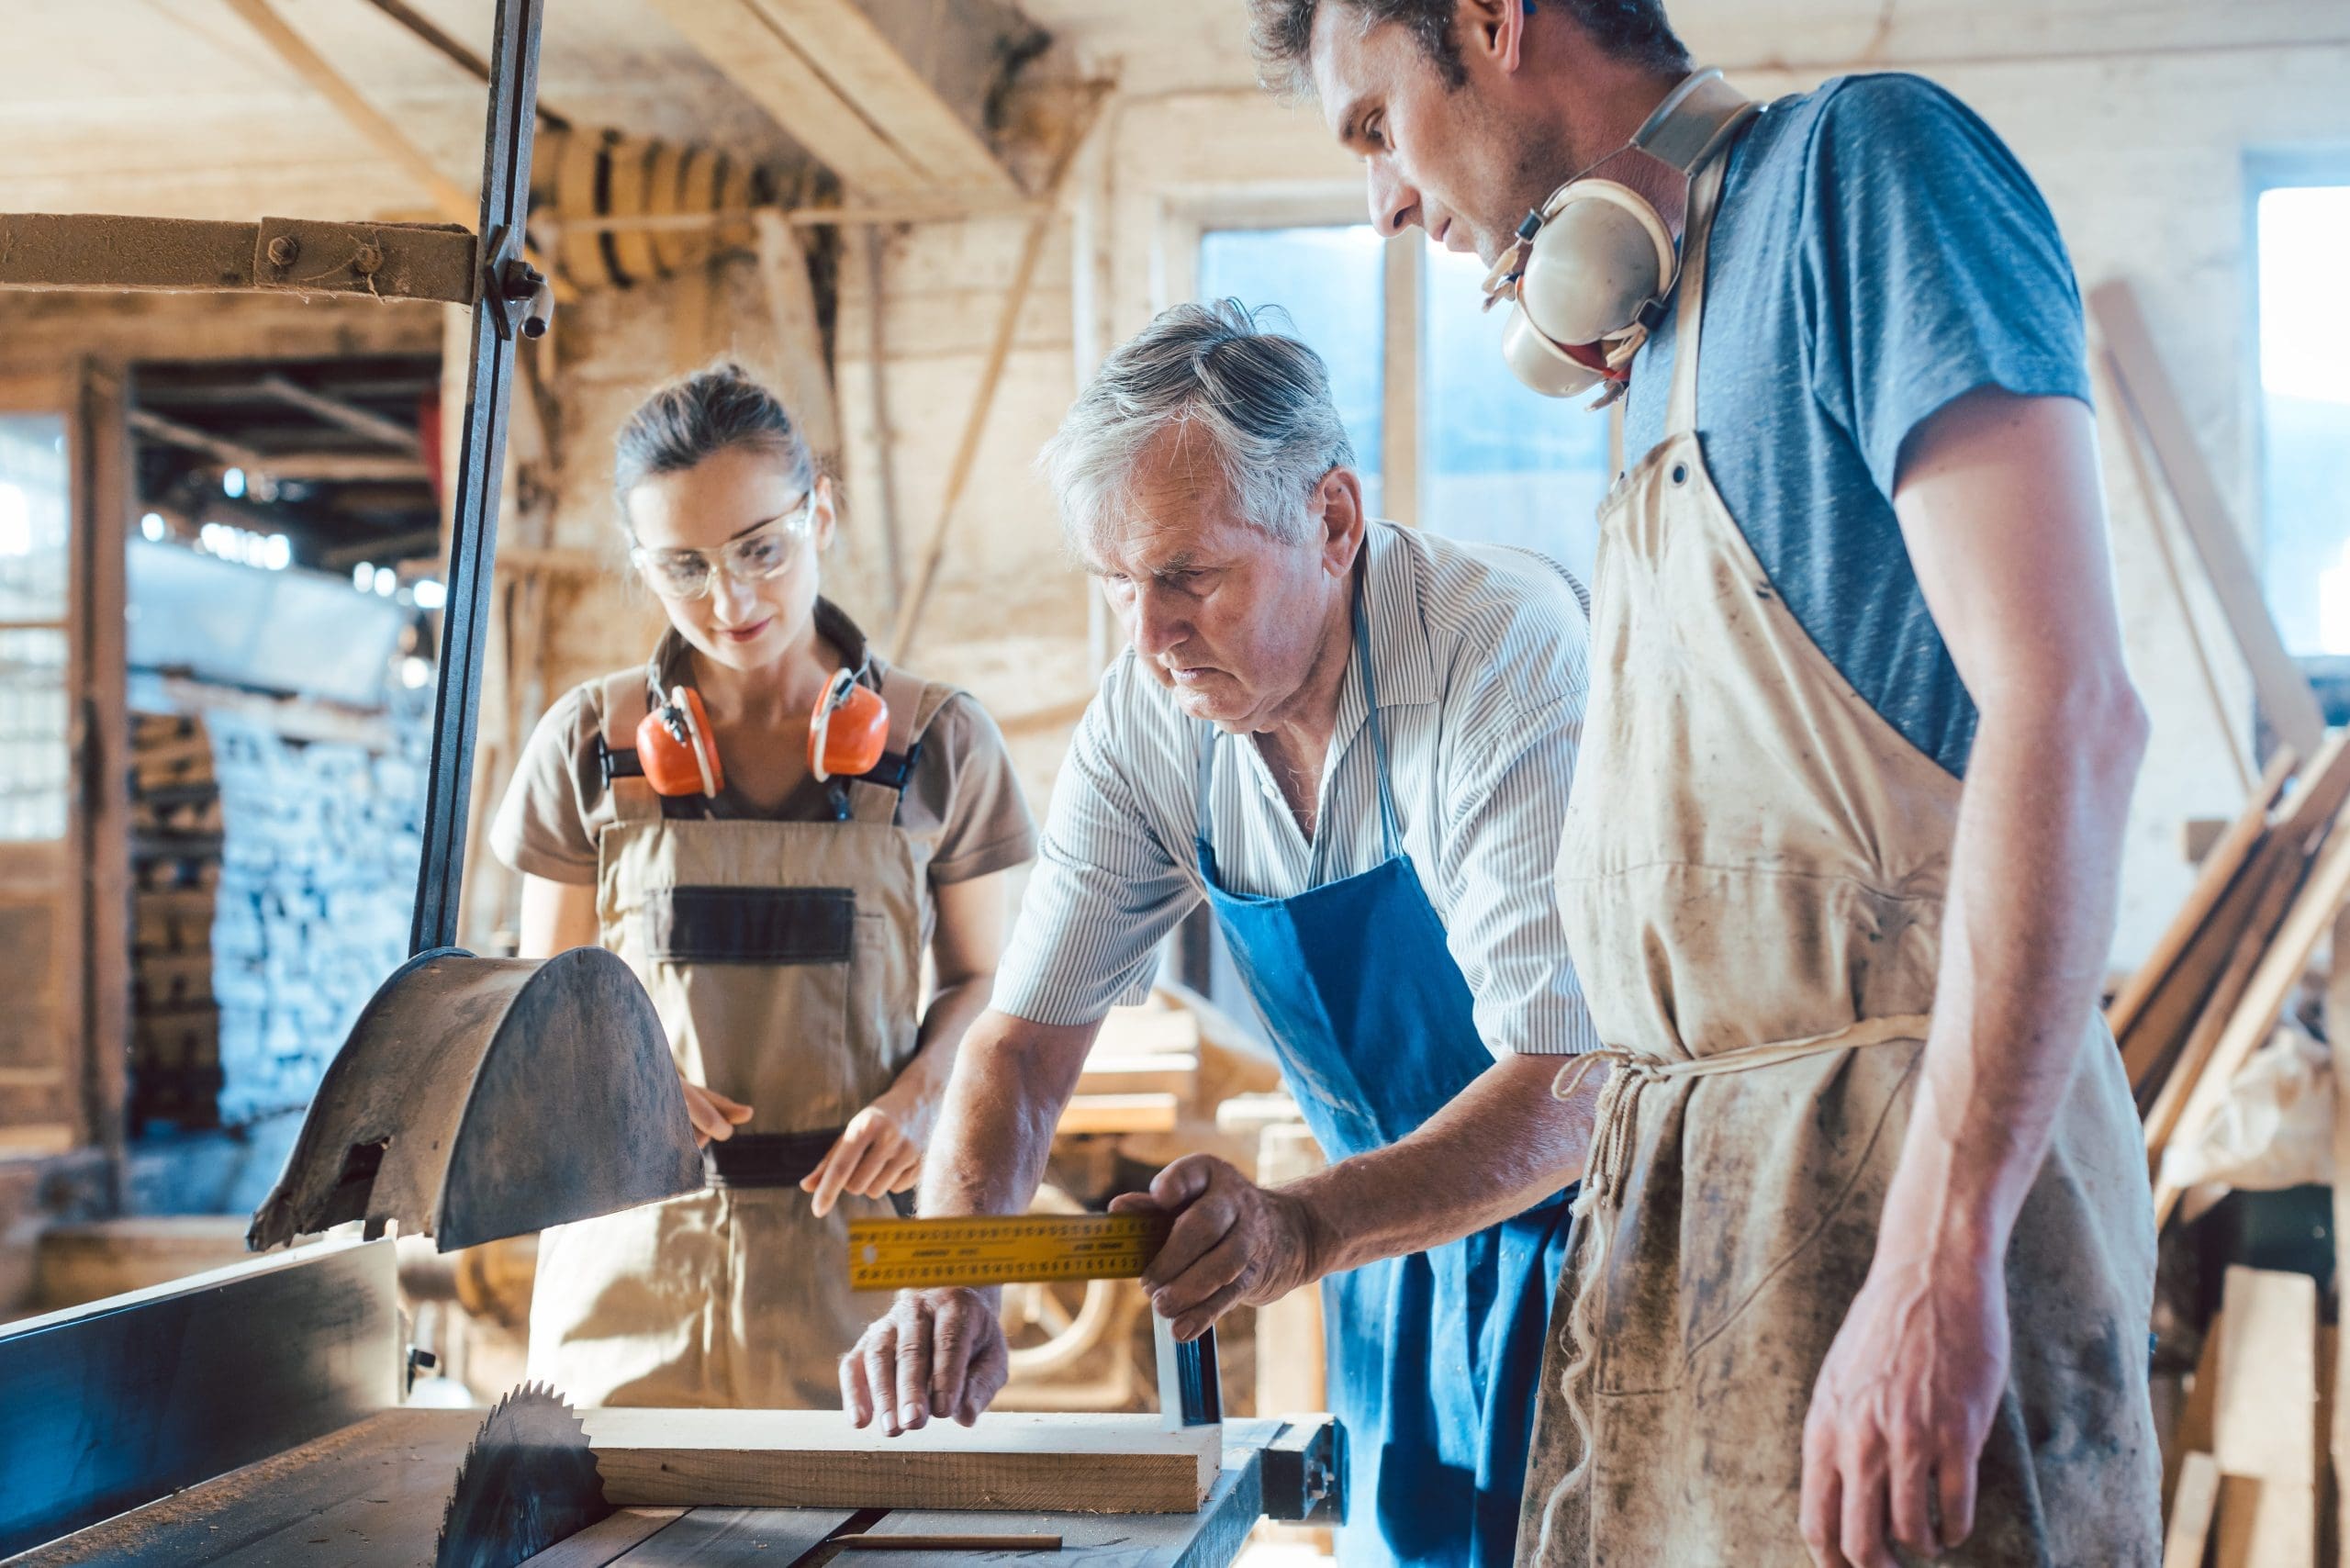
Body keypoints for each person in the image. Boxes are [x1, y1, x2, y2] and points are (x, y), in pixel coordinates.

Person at [1250, 1, 2164, 1564]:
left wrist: (1938, 1266)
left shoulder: (1862, 175)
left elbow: (2069, 710)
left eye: (1374, 126)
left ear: (1488, 18)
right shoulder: (1650, 336)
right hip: (1695, 1210)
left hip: (1895, 1185)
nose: (1385, 200)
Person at [842, 302, 1596, 1566]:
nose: (1149, 636)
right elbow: (1018, 1051)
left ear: (1334, 523)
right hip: (1390, 1256)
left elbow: (1572, 1084)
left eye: (1190, 577)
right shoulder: (1153, 714)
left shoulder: (1504, 658)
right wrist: (955, 1272)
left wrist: (1301, 1228)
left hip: (1589, 1238)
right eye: (1118, 586)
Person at [487, 361, 1037, 1408]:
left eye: (760, 550)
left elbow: (983, 982)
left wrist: (923, 1099)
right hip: (632, 1269)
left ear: (819, 511)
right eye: (683, 567)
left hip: (865, 1278)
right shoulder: (587, 747)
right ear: (640, 564)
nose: (730, 600)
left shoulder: (937, 742)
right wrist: (622, 1071)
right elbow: (539, 994)